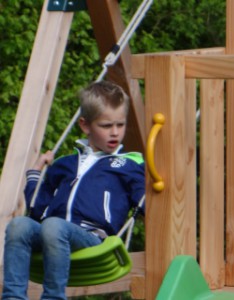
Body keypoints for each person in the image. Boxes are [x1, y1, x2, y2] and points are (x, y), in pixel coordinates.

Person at [2, 80, 145, 300]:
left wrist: (153, 182)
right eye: (106, 126)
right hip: (52, 233)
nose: (115, 133)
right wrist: (35, 175)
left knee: (53, 226)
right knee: (18, 225)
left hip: (91, 237)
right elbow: (37, 210)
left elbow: (144, 204)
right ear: (85, 125)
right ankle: (13, 297)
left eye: (120, 124)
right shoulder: (64, 164)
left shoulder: (128, 165)